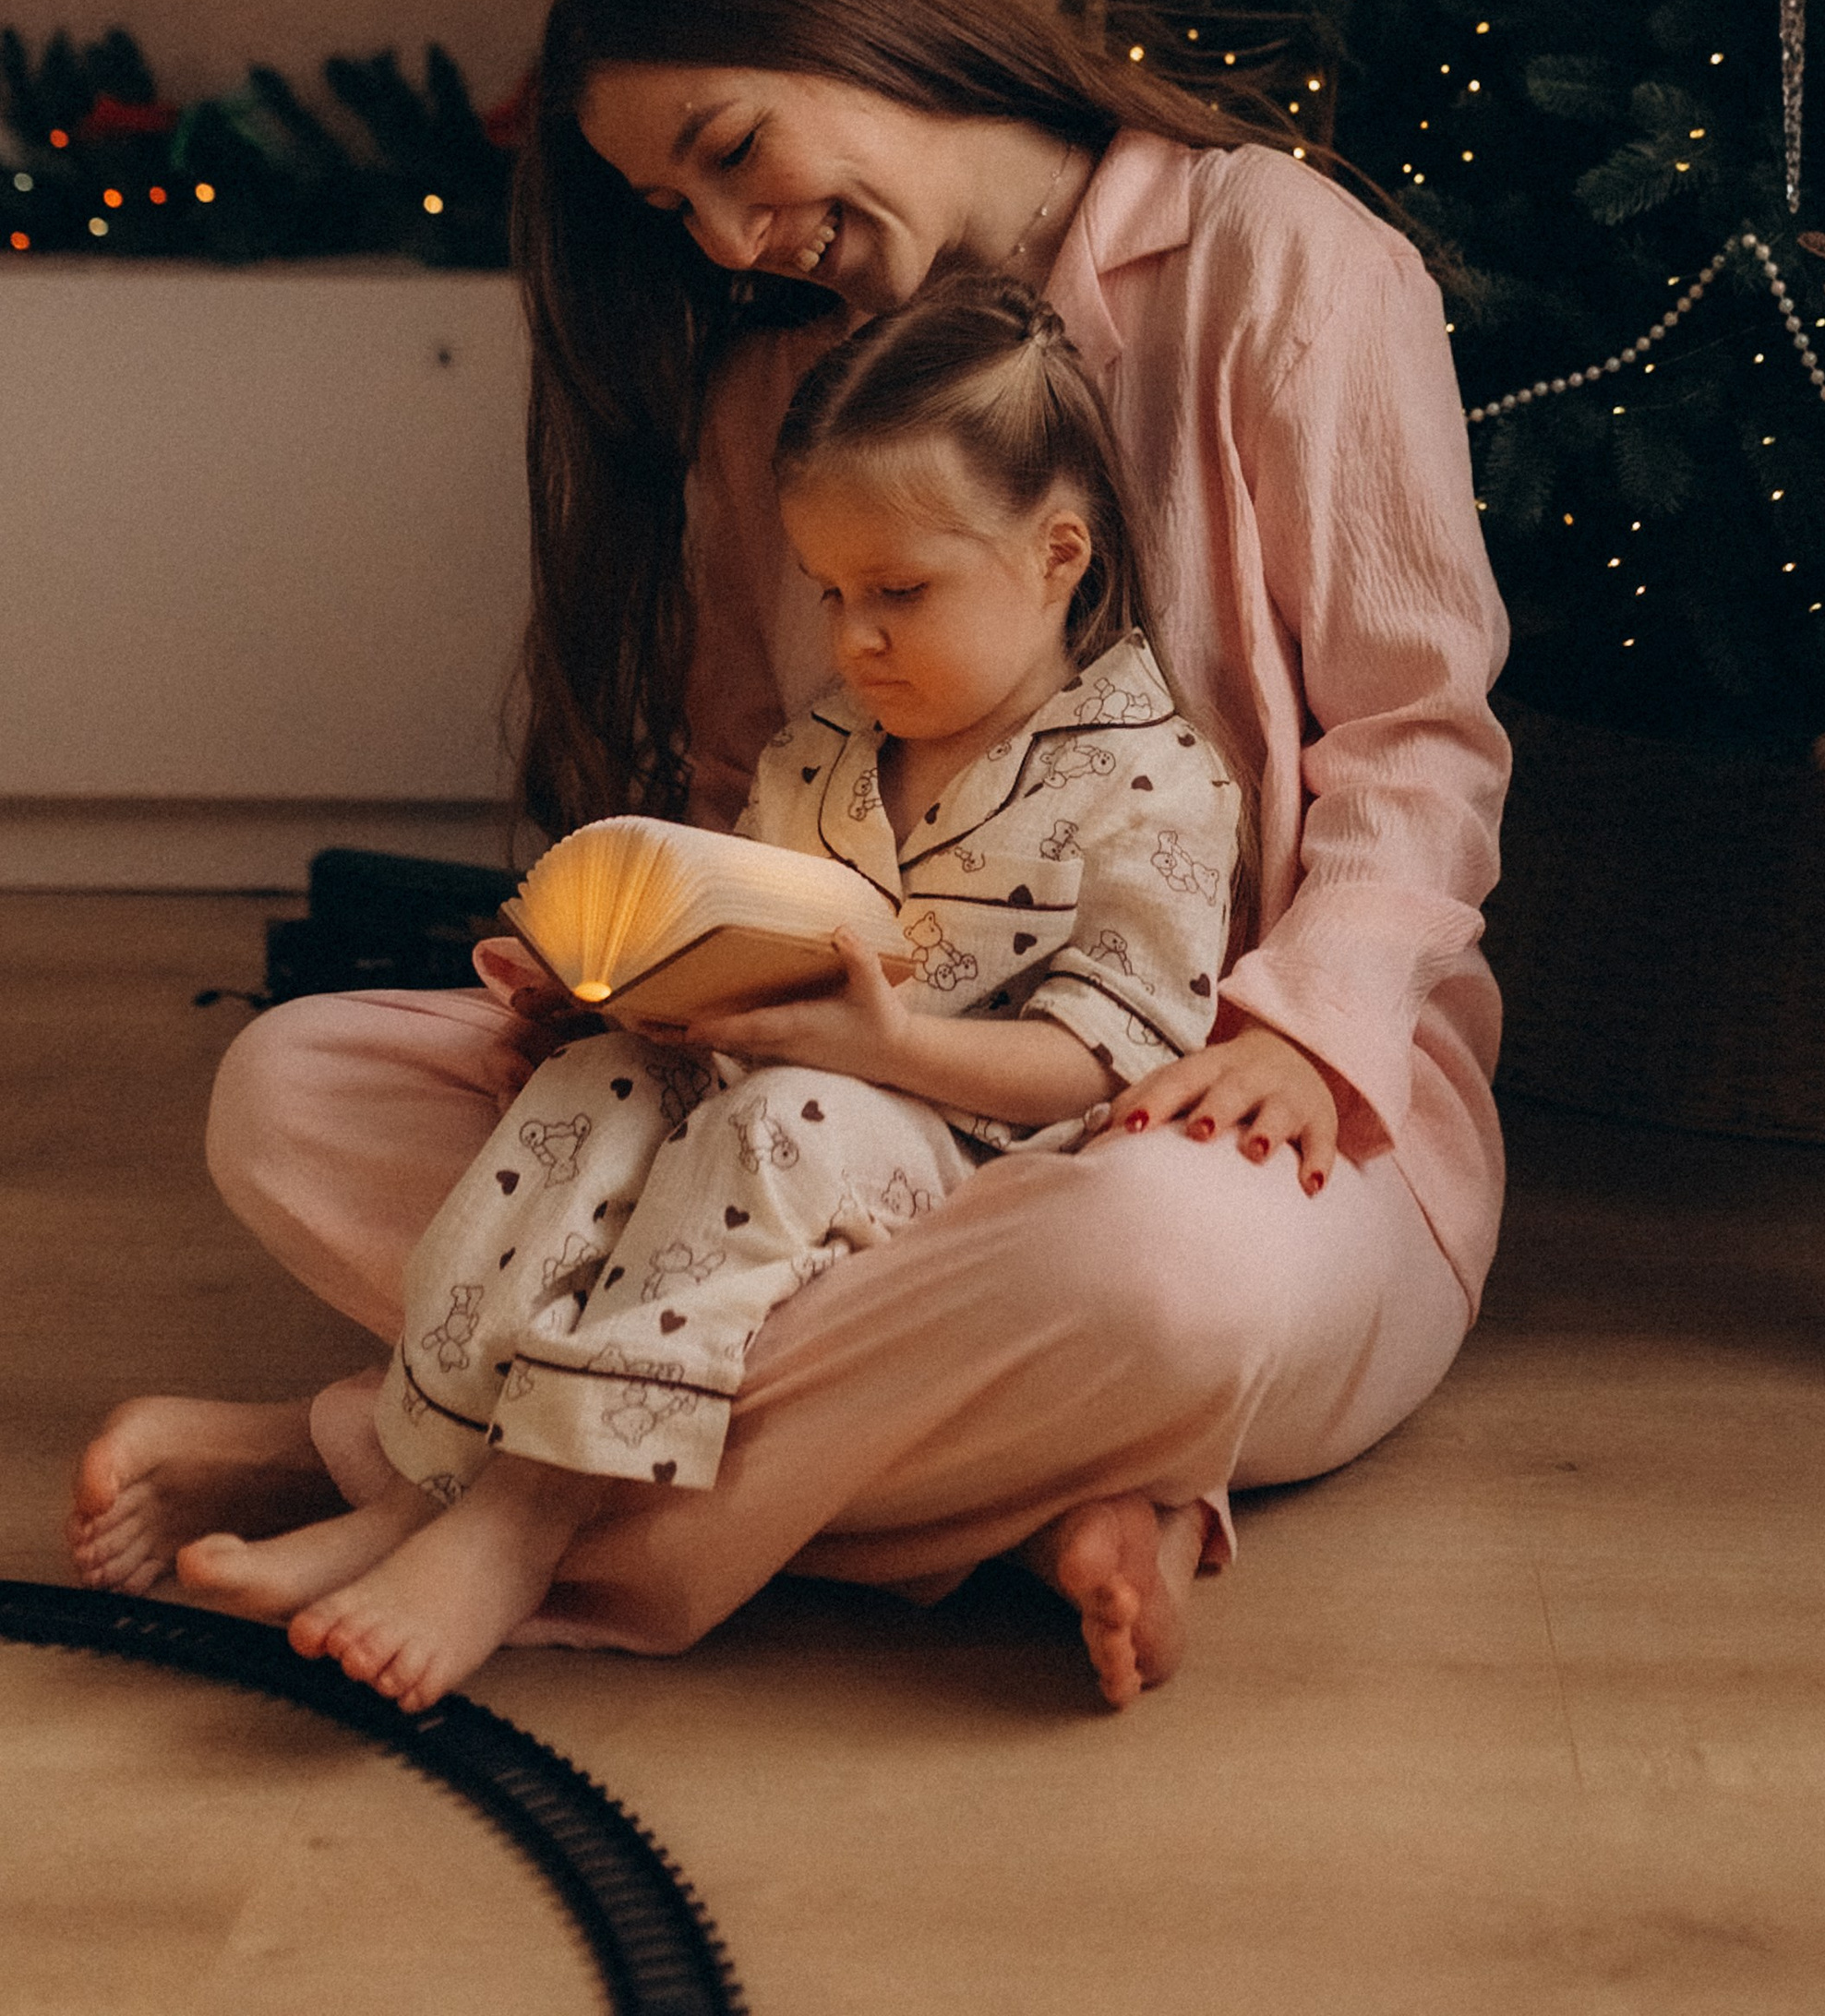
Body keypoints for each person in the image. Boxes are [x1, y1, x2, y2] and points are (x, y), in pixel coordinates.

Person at [71, 0, 1510, 1710]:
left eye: (734, 153)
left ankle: (410, 1461)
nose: (732, 241)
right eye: (676, 209)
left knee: (1170, 1275)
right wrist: (635, 977)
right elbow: (744, 783)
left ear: (860, 24)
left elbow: (1418, 737)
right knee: (290, 1089)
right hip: (816, 1124)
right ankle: (1039, 1494)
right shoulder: (777, 399)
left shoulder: (1277, 263)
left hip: (1213, 1118)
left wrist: (1305, 1027)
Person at [176, 274, 1241, 1710]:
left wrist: (892, 1044)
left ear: (1057, 554)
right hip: (766, 1105)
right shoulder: (821, 750)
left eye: (900, 593)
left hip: (988, 1161)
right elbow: (755, 931)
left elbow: (1099, 1065)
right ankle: (437, 1474)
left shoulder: (1157, 777)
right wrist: (619, 991)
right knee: (590, 1092)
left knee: (785, 1124)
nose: (855, 637)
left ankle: (520, 1516)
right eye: (831, 594)